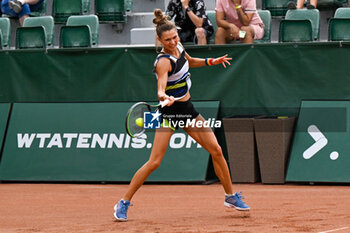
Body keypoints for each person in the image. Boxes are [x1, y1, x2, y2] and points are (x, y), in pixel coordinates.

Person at [113, 8, 250, 222]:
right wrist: (163, 97)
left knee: (216, 150)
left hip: (188, 111)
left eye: (174, 37)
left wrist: (210, 61)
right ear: (159, 40)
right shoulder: (163, 62)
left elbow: (189, 60)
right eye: (167, 40)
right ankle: (124, 201)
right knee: (154, 162)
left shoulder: (178, 45)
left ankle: (230, 196)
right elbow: (160, 87)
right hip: (170, 114)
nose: (172, 41)